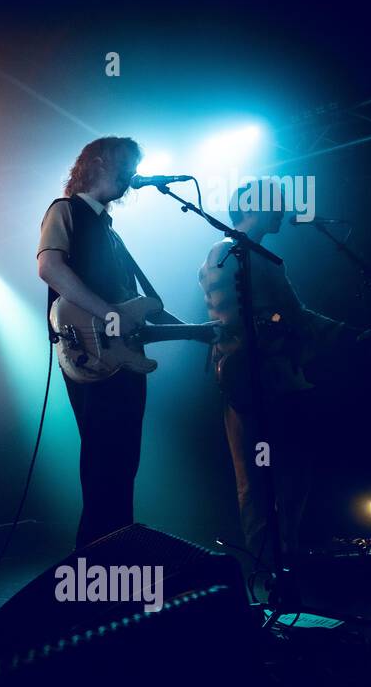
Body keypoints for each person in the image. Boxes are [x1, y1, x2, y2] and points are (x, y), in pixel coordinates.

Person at [197, 180, 351, 579]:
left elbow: (294, 313)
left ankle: (287, 557)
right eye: (277, 203)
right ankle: (269, 570)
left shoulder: (263, 257)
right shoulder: (224, 253)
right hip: (248, 381)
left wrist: (346, 334)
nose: (284, 209)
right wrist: (284, 326)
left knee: (294, 470)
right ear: (257, 206)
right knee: (255, 478)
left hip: (280, 379)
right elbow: (230, 316)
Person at [37, 137, 184, 549]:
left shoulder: (111, 233)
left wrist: (203, 331)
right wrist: (108, 314)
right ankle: (95, 574)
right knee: (104, 463)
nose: (133, 170)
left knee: (121, 465)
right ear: (98, 161)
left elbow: (139, 305)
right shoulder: (65, 209)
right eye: (128, 161)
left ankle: (117, 565)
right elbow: (49, 267)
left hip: (124, 357)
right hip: (91, 350)